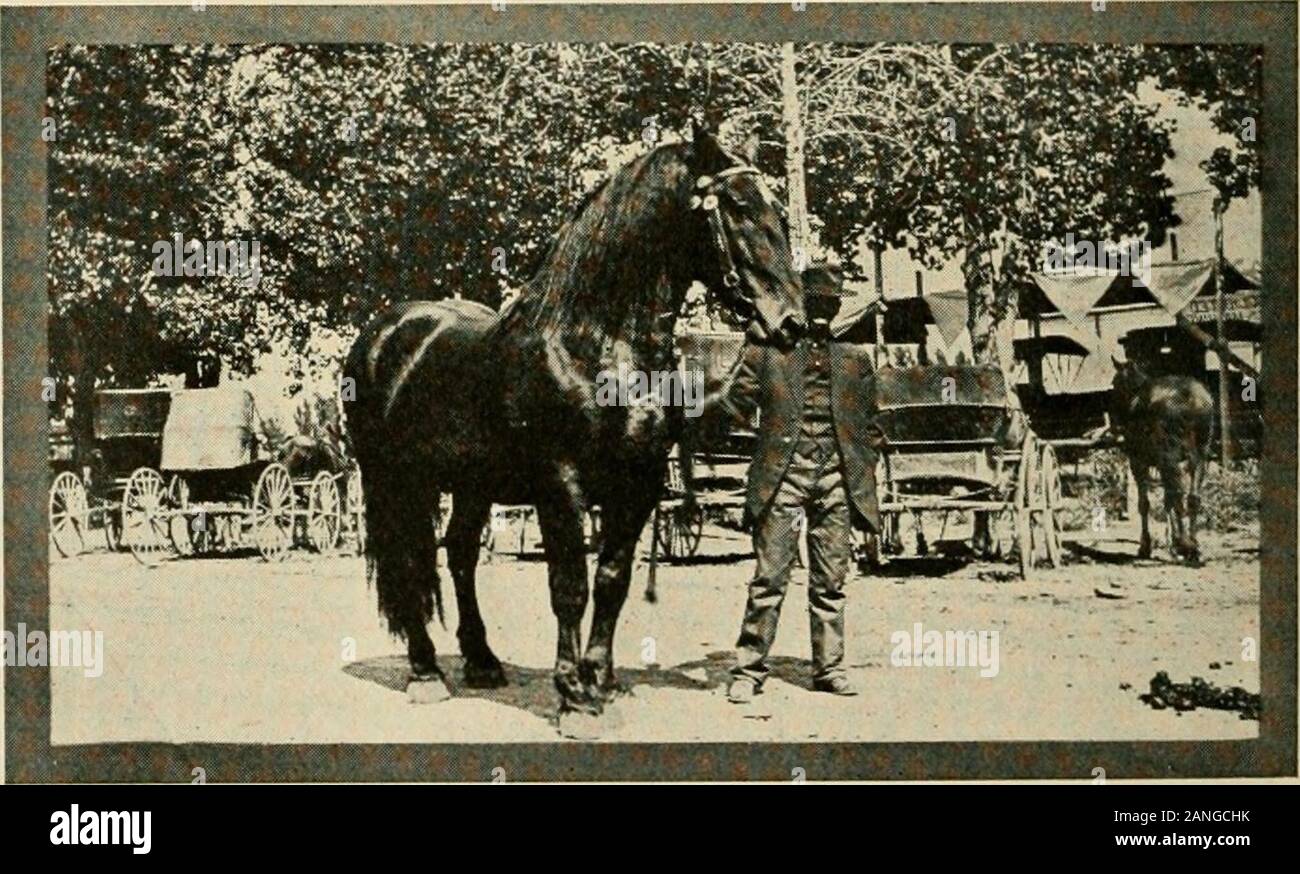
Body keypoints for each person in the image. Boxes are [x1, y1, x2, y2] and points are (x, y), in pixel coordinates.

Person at [708, 263, 885, 702]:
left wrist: (861, 466)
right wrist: (690, 415)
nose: (822, 313)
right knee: (769, 578)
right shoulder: (768, 353)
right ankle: (749, 670)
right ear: (800, 305)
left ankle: (829, 669)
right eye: (815, 304)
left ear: (839, 306)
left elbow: (871, 423)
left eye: (831, 304)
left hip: (837, 480)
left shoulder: (856, 360)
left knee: (831, 581)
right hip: (782, 477)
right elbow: (733, 403)